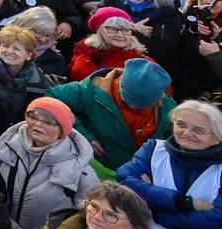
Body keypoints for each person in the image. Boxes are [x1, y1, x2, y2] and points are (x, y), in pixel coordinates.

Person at [115, 98, 222, 229]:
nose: (187, 133)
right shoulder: (153, 149)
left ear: (217, 138)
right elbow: (123, 181)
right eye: (181, 124)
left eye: (198, 130)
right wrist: (184, 202)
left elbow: (217, 222)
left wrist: (154, 211)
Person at [0, 97, 101, 229]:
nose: (37, 124)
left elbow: (88, 221)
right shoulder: (5, 148)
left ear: (62, 130)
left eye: (48, 122)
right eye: (33, 117)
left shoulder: (80, 172)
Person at [47, 58, 175, 174]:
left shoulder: (166, 104)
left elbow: (174, 135)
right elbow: (50, 100)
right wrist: (82, 134)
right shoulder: (90, 91)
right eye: (128, 102)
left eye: (144, 105)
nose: (134, 107)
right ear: (120, 84)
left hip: (143, 175)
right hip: (100, 172)